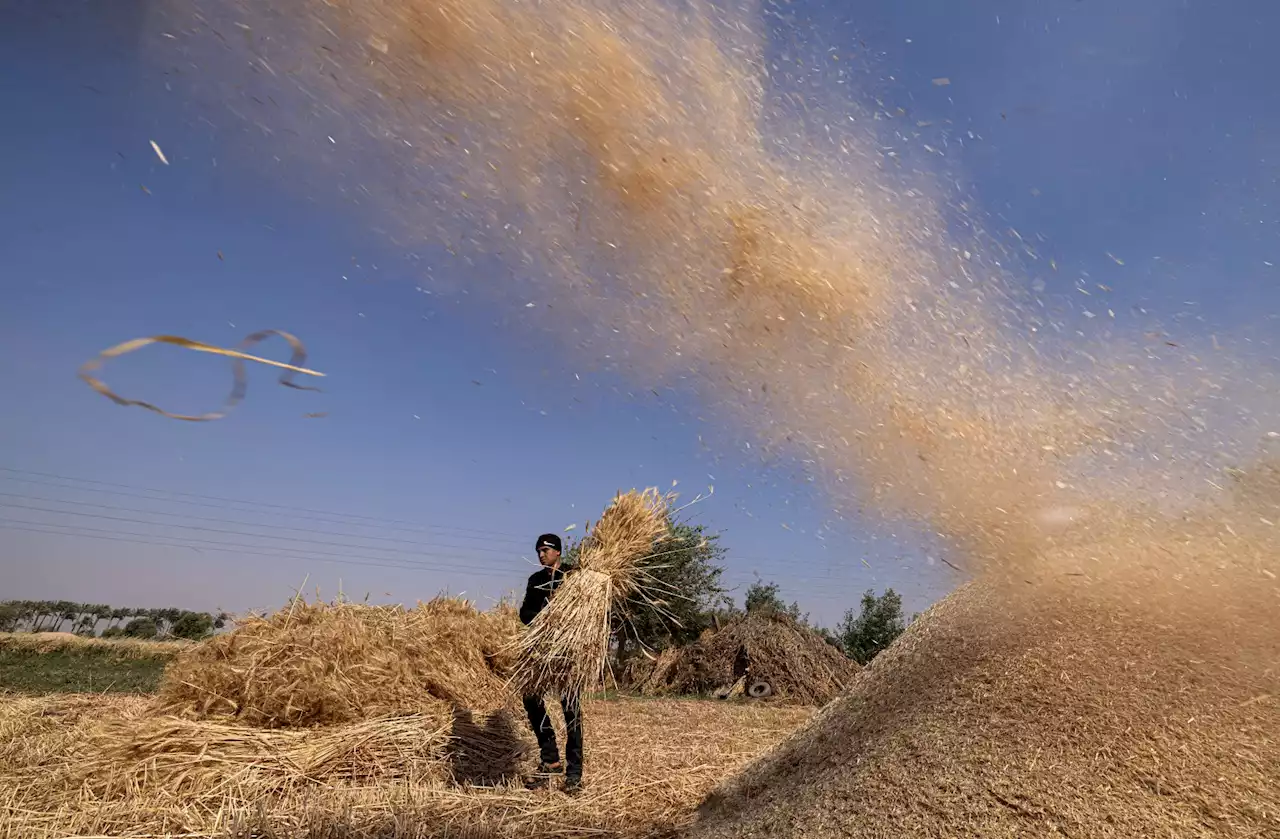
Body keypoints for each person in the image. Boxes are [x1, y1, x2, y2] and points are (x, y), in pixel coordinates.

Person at [519, 532, 584, 793]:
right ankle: (550, 759)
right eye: (538, 551)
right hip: (542, 651)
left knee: (571, 710)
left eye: (545, 550)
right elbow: (525, 613)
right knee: (531, 698)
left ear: (558, 552)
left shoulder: (574, 577)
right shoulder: (535, 580)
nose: (541, 554)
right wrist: (547, 618)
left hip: (569, 652)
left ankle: (574, 773)